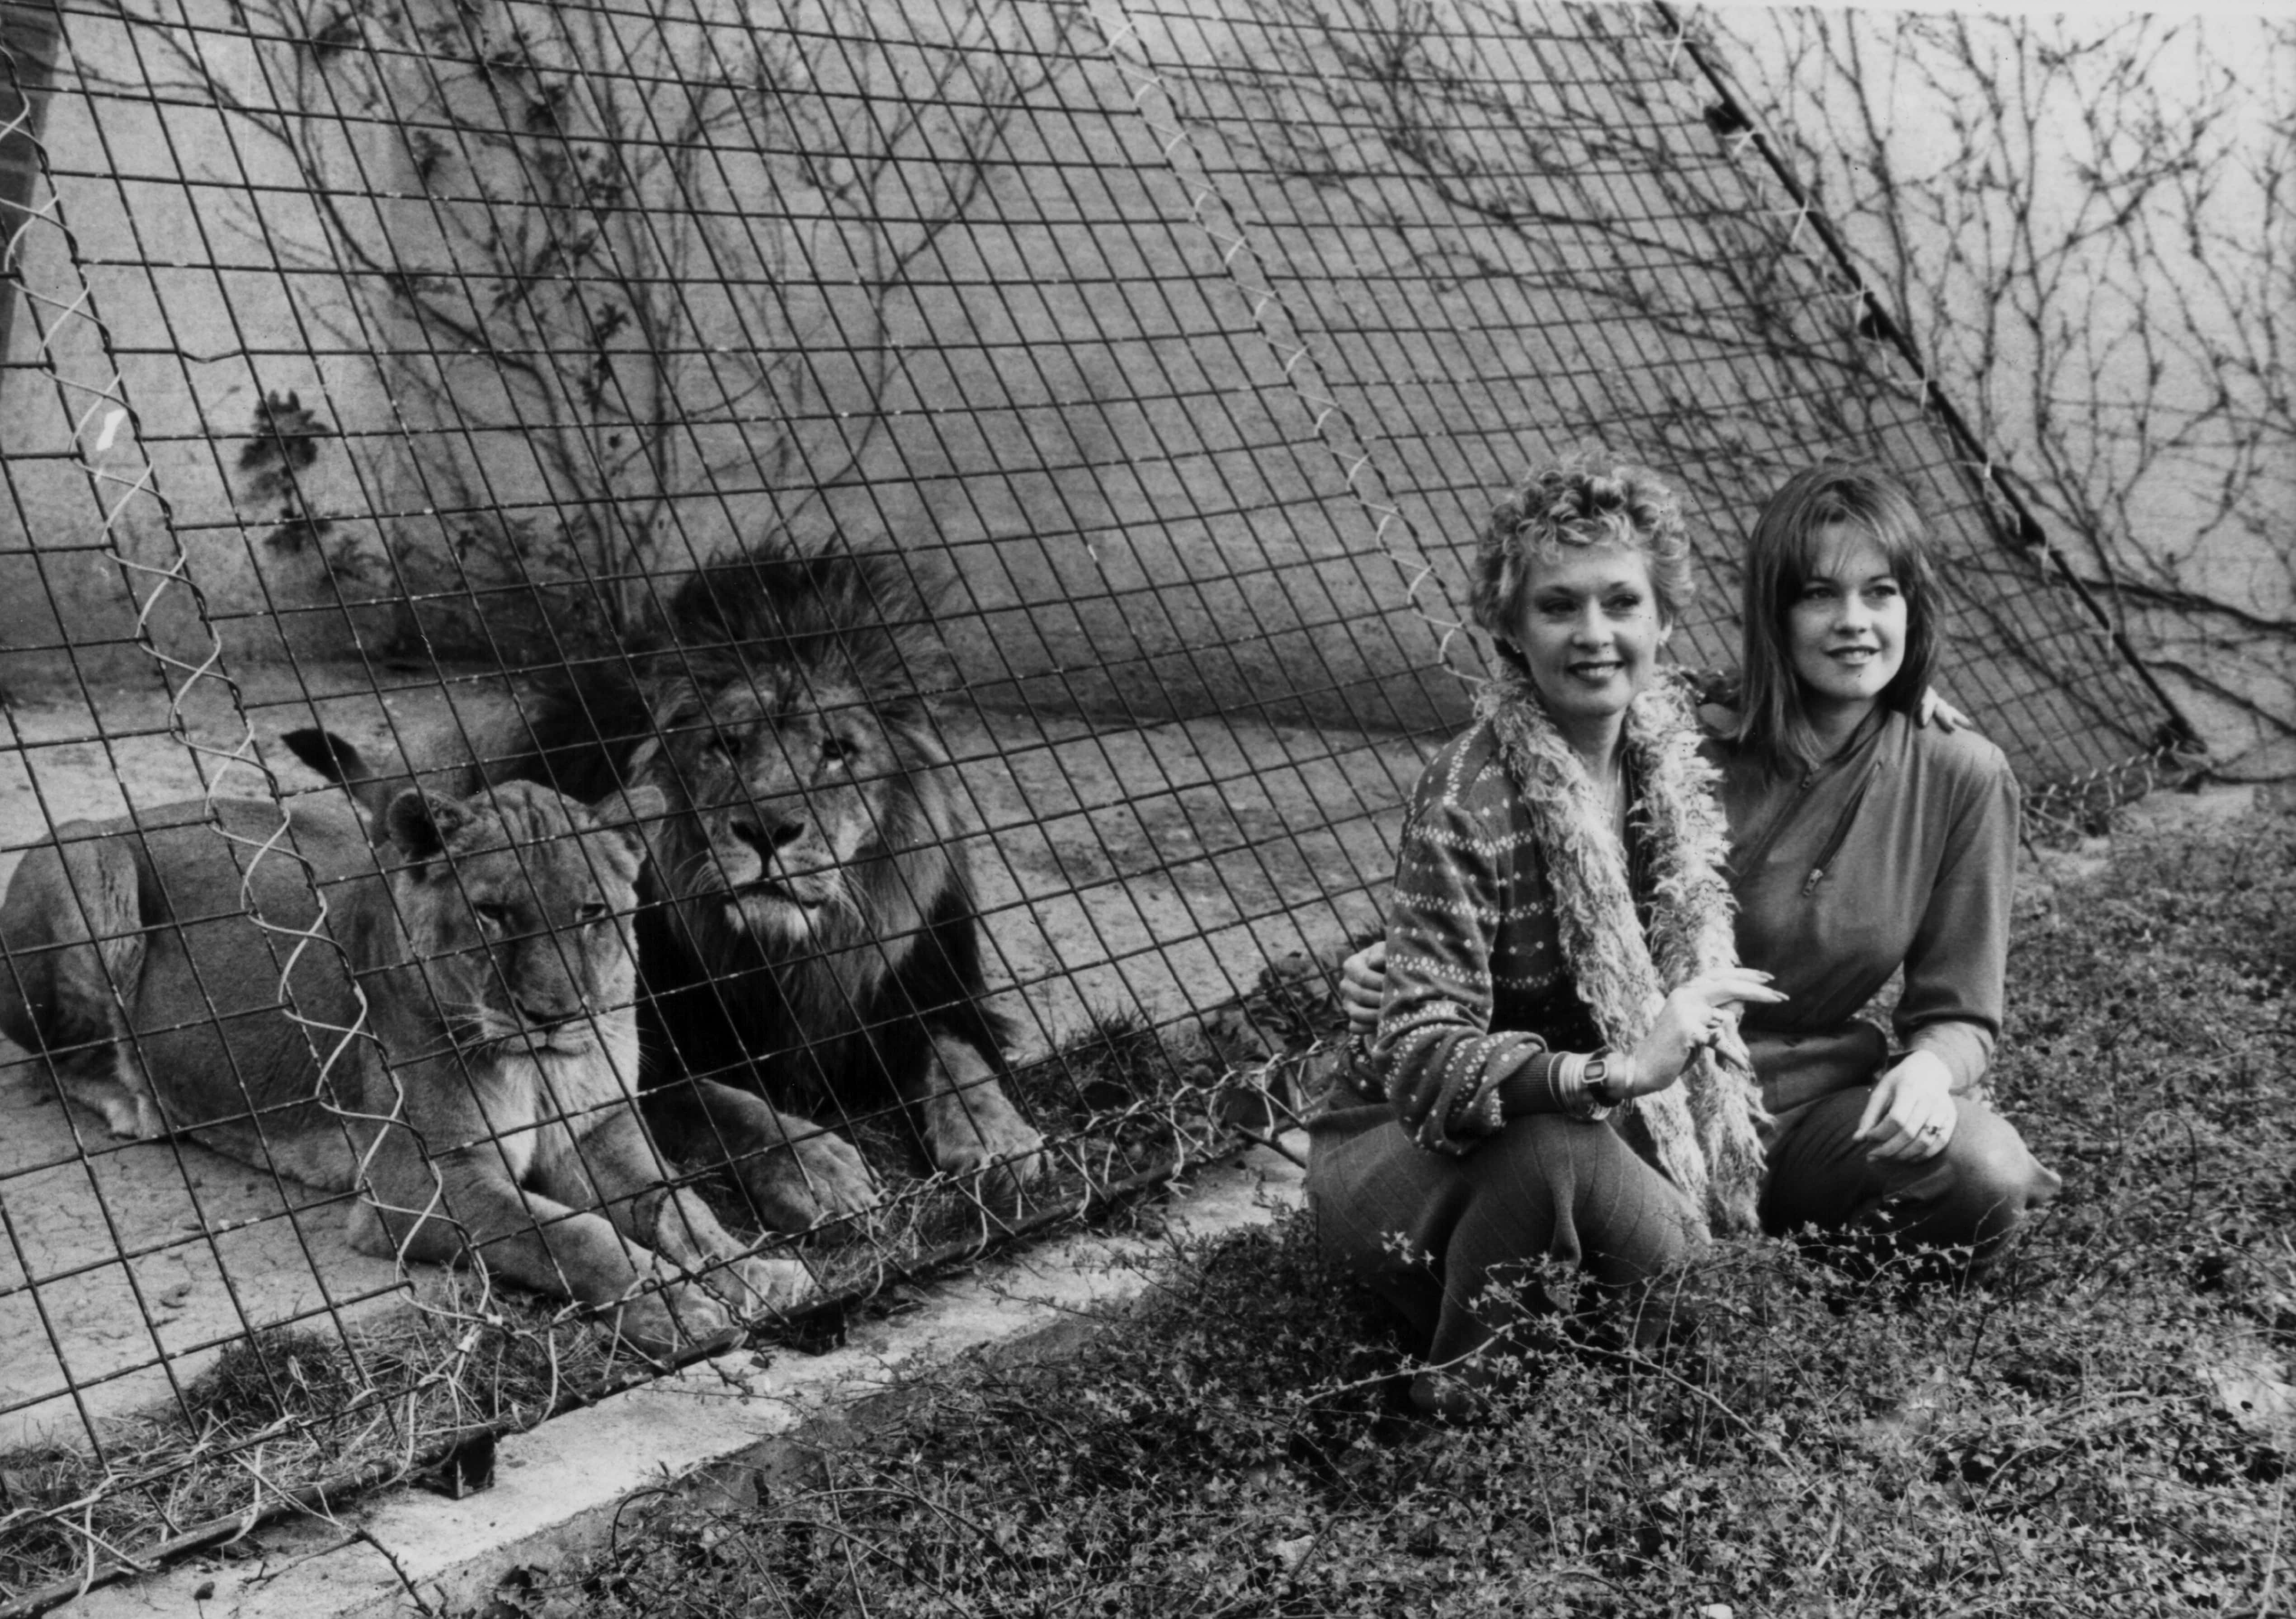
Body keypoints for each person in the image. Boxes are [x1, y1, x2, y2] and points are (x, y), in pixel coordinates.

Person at [1331, 462, 2063, 1403]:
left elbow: (1961, 1012)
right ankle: (1644, 1322)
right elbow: (1517, 863)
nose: (1851, 622)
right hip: (1627, 1093)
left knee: (1981, 1170)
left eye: (1879, 595)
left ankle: (1776, 1302)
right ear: (1770, 613)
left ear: (1913, 606)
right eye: (1817, 596)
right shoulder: (1679, 738)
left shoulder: (1959, 773)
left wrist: (1926, 1068)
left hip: (1793, 1103)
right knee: (1638, 1254)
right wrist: (1389, 968)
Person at [1304, 454, 1784, 1415]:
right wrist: (1615, 1074)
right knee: (1551, 1152)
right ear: (1510, 631)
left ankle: (1582, 1395)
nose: (1595, 635)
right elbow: (1417, 1050)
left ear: (1661, 619)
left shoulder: (1668, 751)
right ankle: (1452, 1420)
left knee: (1691, 1302)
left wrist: (1912, 704)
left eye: (1621, 603)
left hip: (1604, 1140)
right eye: (1558, 607)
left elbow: (1817, 682)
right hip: (1413, 1148)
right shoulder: (1465, 792)